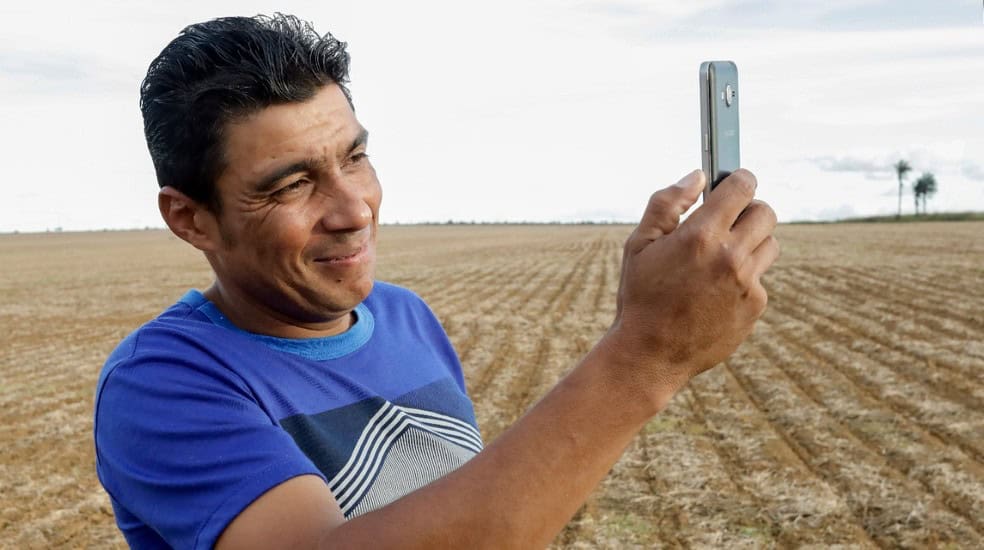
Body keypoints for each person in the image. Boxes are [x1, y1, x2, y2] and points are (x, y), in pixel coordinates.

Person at [93, 13, 779, 550]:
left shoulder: (404, 317)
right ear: (191, 219)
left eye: (355, 157)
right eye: (292, 184)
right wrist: (645, 354)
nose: (355, 208)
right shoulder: (161, 382)